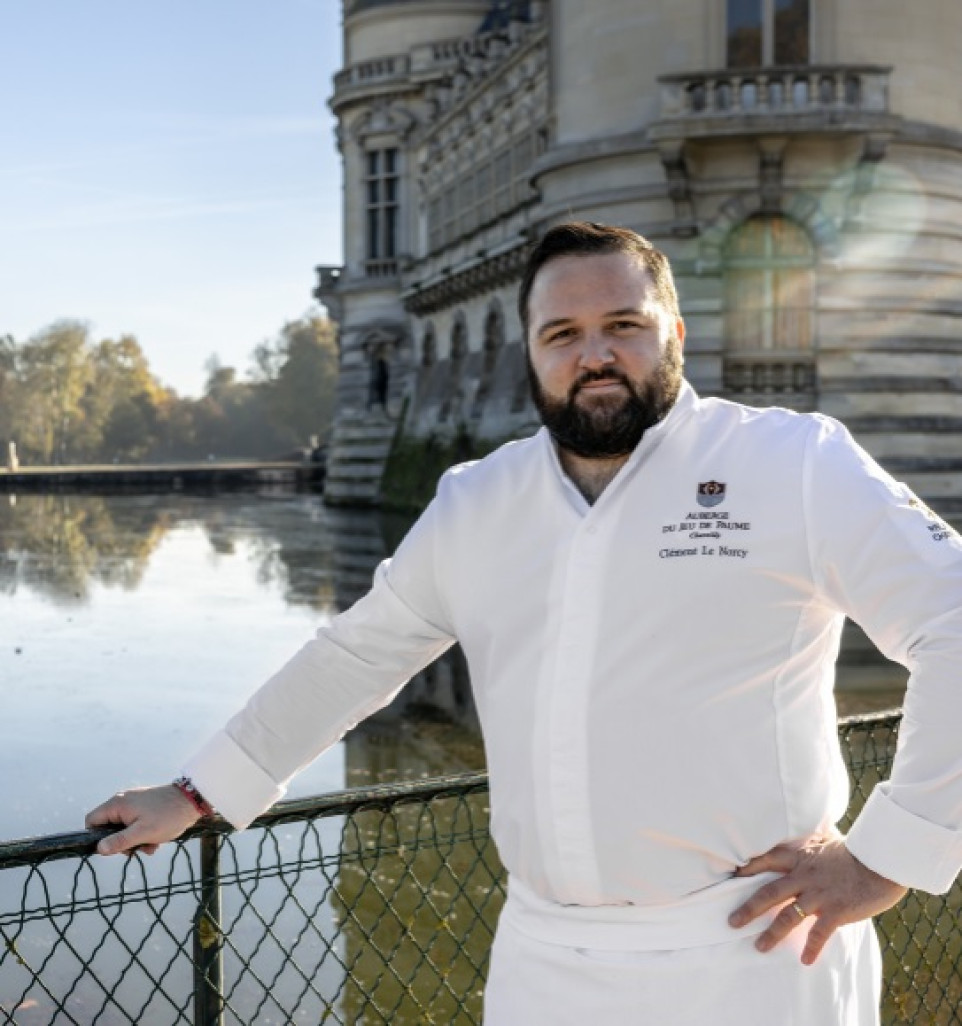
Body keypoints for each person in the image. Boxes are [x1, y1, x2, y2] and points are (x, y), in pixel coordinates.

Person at [87, 222, 962, 1025]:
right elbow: (357, 656)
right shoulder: (478, 500)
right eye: (564, 335)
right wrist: (202, 791)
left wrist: (888, 857)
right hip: (542, 960)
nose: (596, 354)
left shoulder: (791, 460)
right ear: (531, 356)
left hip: (755, 950)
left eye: (625, 324)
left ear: (676, 335)